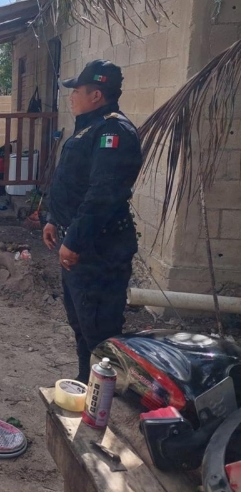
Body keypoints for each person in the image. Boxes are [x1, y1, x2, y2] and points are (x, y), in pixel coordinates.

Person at [43, 60, 143, 384]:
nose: (71, 97)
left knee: (100, 331)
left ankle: (107, 401)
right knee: (82, 324)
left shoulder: (113, 131)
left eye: (77, 91)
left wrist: (73, 242)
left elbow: (103, 194)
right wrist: (52, 219)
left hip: (99, 251)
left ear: (96, 94)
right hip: (80, 245)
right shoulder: (89, 128)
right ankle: (87, 384)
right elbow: (71, 181)